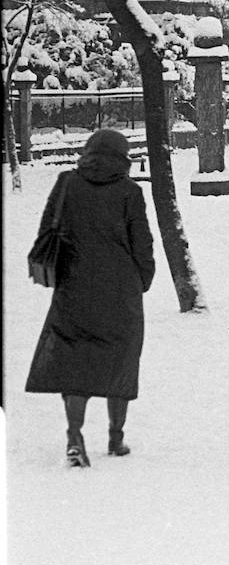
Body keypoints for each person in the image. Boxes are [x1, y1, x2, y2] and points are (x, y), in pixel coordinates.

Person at [26, 128, 156, 468]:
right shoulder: (130, 192)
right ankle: (116, 438)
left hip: (74, 287)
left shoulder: (67, 183)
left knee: (74, 359)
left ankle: (74, 437)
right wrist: (142, 279)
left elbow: (45, 231)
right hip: (120, 291)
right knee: (121, 359)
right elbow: (142, 242)